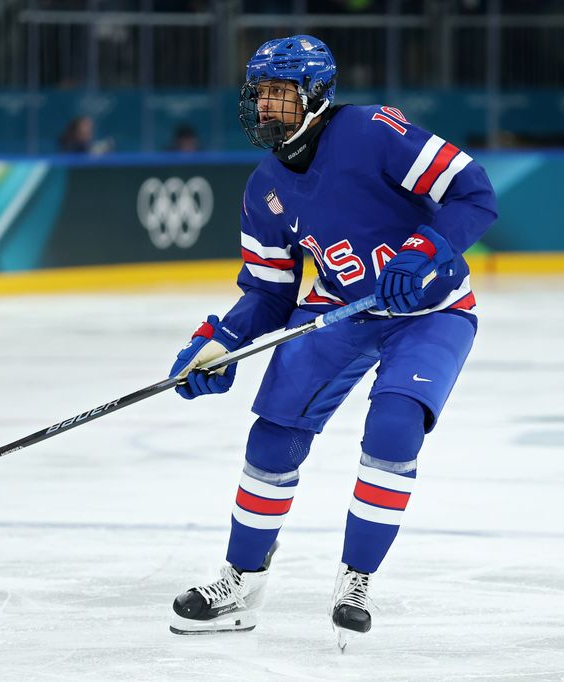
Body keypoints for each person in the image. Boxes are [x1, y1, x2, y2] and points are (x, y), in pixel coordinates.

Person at [167, 35, 498, 647]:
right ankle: (242, 582)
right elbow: (268, 294)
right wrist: (217, 340)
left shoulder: (373, 132)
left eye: (279, 95)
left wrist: (424, 251)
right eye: (259, 94)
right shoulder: (263, 188)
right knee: (273, 429)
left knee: (395, 425)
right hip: (343, 308)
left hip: (433, 309)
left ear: (317, 94)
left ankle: (356, 579)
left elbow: (474, 193)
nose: (264, 108)